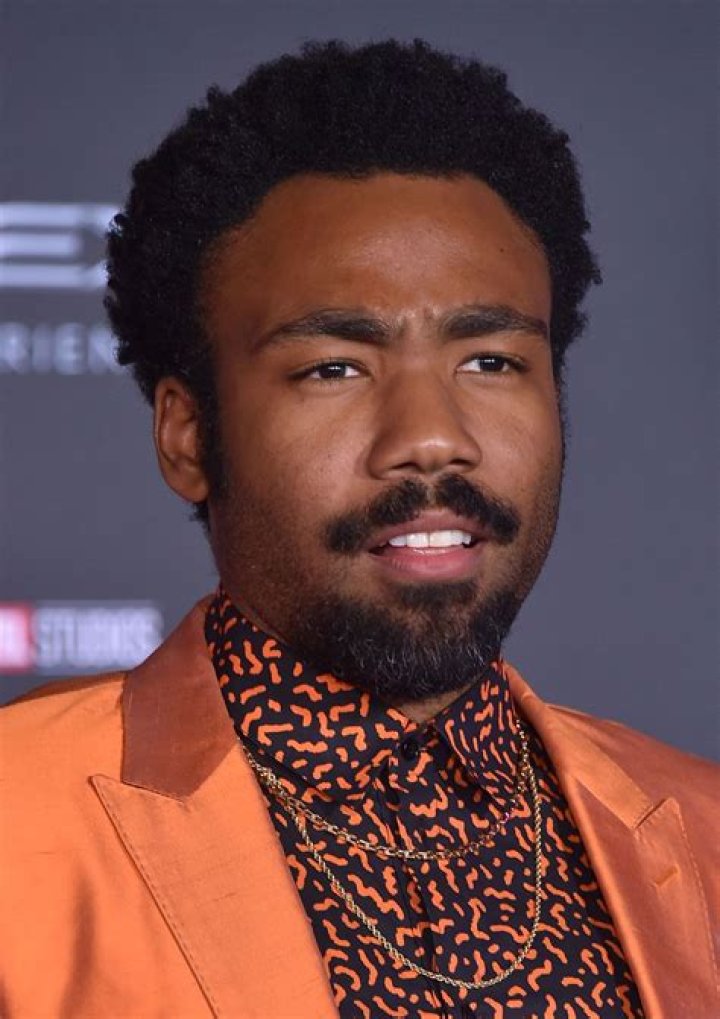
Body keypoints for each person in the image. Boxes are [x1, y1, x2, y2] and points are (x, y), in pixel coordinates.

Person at [1, 39, 717, 1019]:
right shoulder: (19, 823)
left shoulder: (701, 832)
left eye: (491, 361)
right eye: (334, 367)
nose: (431, 437)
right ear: (189, 434)